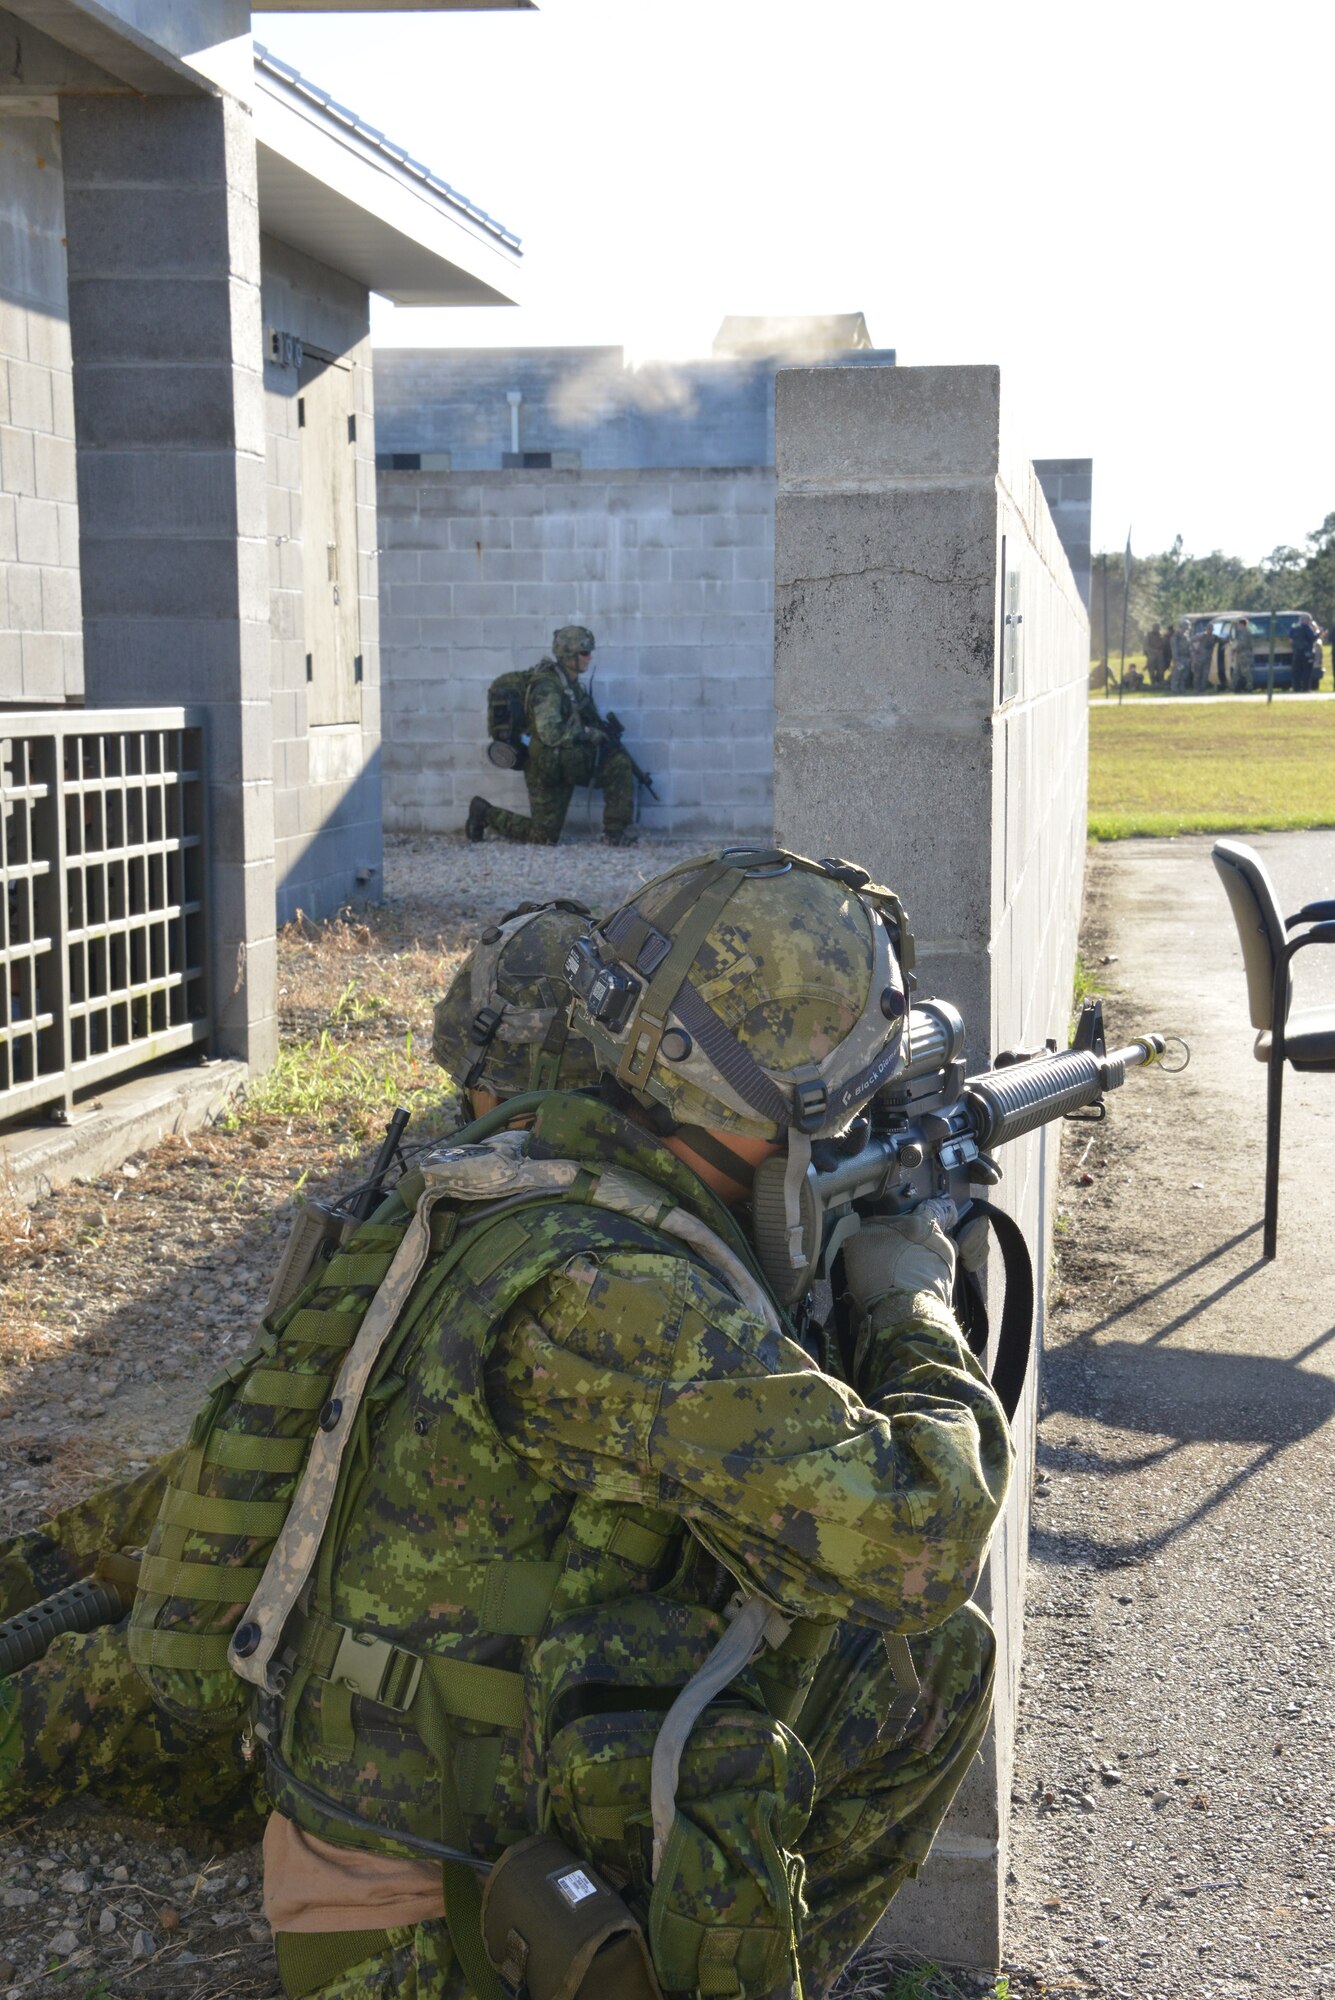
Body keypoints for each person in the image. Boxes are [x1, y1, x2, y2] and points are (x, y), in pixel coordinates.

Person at [126, 848, 1013, 2000]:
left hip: (475, 1789)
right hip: (431, 1910)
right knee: (921, 1632)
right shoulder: (610, 1295)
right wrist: (909, 1300)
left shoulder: (566, 1160)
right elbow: (922, 1542)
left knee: (925, 1664)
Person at [0, 902, 604, 1836]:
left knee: (84, 1692)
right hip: (317, 1540)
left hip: (341, 1649)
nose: (460, 1106)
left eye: (473, 1085)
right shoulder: (508, 1195)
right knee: (139, 1511)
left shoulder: (560, 1253)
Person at [466, 626, 636, 848]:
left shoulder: (572, 686)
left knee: (544, 835)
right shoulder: (548, 687)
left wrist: (600, 732)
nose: (589, 658)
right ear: (569, 656)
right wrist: (587, 733)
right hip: (545, 764)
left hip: (560, 761)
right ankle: (484, 812)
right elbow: (550, 732)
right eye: (585, 653)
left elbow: (582, 720)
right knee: (544, 835)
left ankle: (614, 833)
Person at [1291, 614, 1319, 693]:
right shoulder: (1307, 628)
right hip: (1307, 653)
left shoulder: (1294, 628)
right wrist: (1318, 632)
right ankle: (1306, 688)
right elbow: (1312, 637)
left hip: (1296, 653)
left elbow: (1290, 638)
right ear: (1306, 620)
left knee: (1297, 671)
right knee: (1307, 671)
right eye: (1309, 620)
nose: (1310, 622)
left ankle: (1296, 688)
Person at [1227, 616, 1255, 693]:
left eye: (1239, 625)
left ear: (1242, 625)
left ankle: (1249, 688)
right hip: (1240, 656)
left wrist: (1234, 649)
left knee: (1246, 672)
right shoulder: (1242, 633)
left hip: (1244, 655)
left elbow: (1242, 644)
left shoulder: (1245, 633)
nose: (1238, 626)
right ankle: (1233, 688)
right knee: (1236, 672)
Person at [1189, 621, 1214, 692]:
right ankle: (1196, 689)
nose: (1210, 631)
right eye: (1209, 629)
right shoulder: (1201, 636)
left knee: (1205, 675)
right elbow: (1191, 640)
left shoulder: (1212, 637)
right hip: (1199, 659)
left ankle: (1203, 689)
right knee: (1197, 675)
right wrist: (1193, 650)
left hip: (1207, 659)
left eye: (1211, 629)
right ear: (1206, 629)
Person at [1169, 618, 1193, 693]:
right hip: (1179, 659)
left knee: (1184, 675)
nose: (1186, 630)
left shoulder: (1186, 636)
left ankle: (1182, 690)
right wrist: (1176, 660)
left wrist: (1190, 656)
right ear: (1182, 627)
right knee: (1177, 675)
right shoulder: (1175, 637)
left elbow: (1188, 647)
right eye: (1185, 628)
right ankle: (1175, 690)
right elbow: (1174, 649)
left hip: (1186, 659)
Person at [1144, 623, 1166, 688]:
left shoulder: (1161, 635)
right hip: (1151, 655)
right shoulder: (1148, 635)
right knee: (1151, 670)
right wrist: (1152, 651)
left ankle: (1160, 682)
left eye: (1158, 628)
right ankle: (1153, 683)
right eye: (1156, 628)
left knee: (1161, 670)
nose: (1157, 629)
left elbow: (1163, 644)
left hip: (1160, 655)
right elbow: (1146, 646)